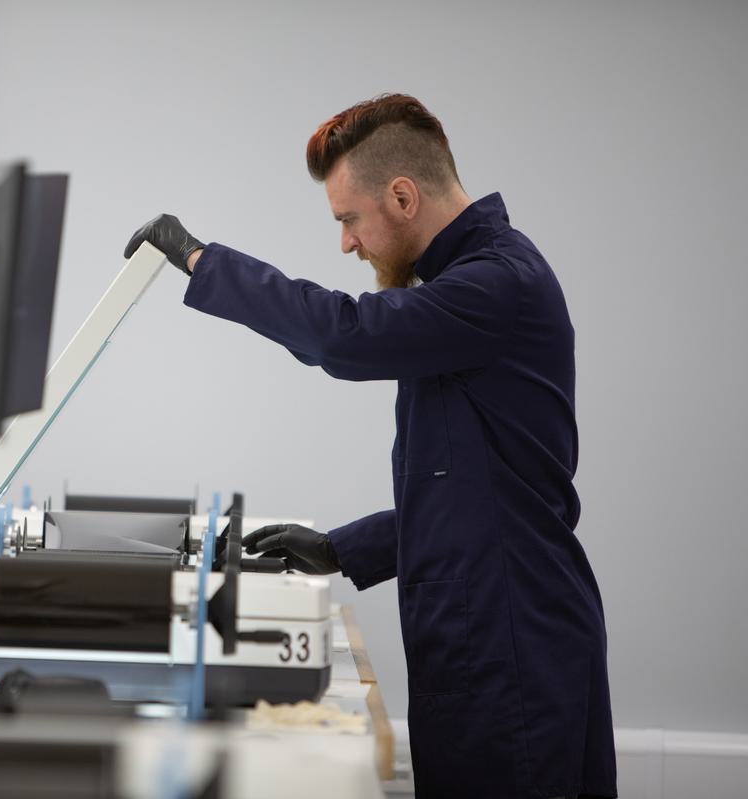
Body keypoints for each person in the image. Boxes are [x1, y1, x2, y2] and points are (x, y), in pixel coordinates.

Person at [124, 94, 616, 799]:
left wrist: (204, 263)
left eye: (349, 219)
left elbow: (344, 335)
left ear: (404, 195)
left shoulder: (495, 284)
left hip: (514, 644)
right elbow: (475, 492)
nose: (347, 244)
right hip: (488, 631)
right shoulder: (463, 290)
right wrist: (343, 548)